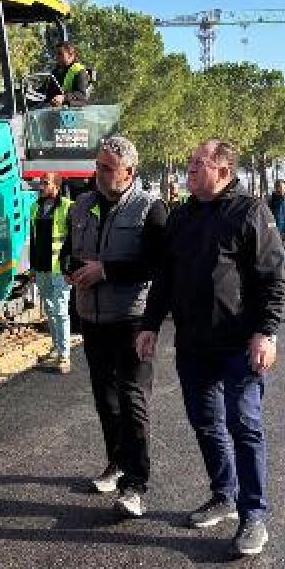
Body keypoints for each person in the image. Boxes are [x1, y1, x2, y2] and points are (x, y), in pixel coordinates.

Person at [136, 139, 285, 557]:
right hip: (193, 345)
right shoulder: (182, 216)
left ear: (222, 170)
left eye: (198, 163)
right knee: (206, 424)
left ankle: (253, 516)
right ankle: (223, 494)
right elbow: (165, 279)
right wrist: (150, 325)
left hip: (239, 345)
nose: (189, 168)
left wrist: (266, 332)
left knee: (245, 424)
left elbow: (273, 280)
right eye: (189, 163)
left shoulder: (250, 212)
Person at [60, 136, 167, 518]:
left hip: (132, 320)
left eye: (108, 168)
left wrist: (105, 271)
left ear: (129, 172)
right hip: (93, 319)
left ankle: (136, 485)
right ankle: (116, 463)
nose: (100, 174)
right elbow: (66, 254)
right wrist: (71, 270)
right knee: (105, 399)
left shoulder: (150, 208)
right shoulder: (83, 205)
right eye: (98, 165)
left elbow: (158, 265)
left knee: (133, 400)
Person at [30, 173, 72, 373]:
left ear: (56, 186)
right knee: (50, 310)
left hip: (59, 269)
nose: (41, 186)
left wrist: (69, 266)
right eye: (41, 183)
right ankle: (56, 348)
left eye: (45, 183)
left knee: (61, 311)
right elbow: (34, 240)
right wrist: (32, 267)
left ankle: (64, 356)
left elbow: (73, 240)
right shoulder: (35, 207)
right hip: (42, 268)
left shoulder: (67, 207)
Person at [48, 42, 91, 107]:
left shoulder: (79, 70)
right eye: (56, 54)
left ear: (71, 55)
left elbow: (81, 95)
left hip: (72, 112)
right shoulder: (56, 71)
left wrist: (64, 97)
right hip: (53, 110)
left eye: (60, 54)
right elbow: (45, 90)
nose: (56, 57)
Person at [267, 178, 285, 267]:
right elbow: (267, 216)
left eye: (282, 188)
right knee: (271, 253)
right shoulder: (270, 200)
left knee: (281, 253)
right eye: (278, 188)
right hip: (271, 232)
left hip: (284, 232)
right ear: (275, 188)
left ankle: (282, 271)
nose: (280, 190)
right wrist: (268, 230)